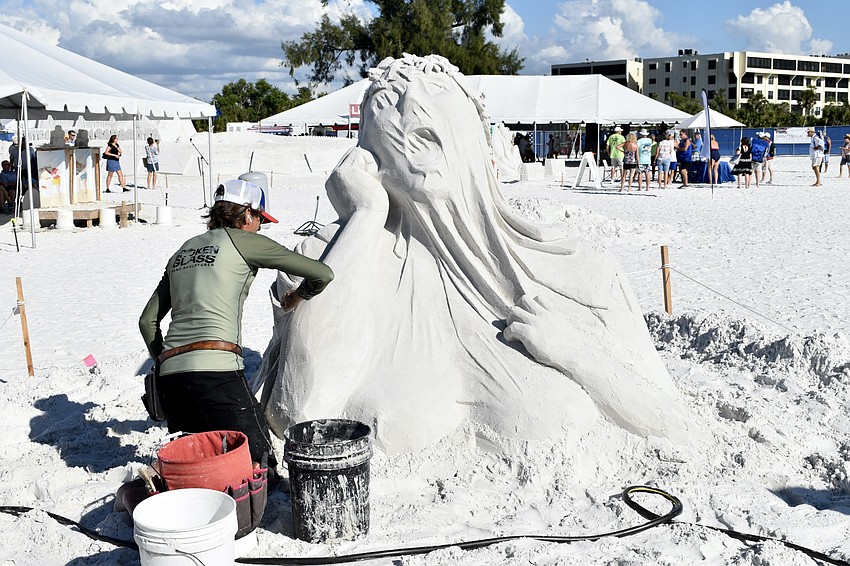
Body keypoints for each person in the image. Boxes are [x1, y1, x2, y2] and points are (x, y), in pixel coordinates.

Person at [139, 179, 334, 474]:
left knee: (201, 465)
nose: (259, 227)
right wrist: (297, 296)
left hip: (171, 381)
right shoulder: (245, 241)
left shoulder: (183, 250)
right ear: (247, 215)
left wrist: (164, 361)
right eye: (259, 220)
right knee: (260, 465)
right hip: (217, 372)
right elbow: (322, 273)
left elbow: (147, 321)